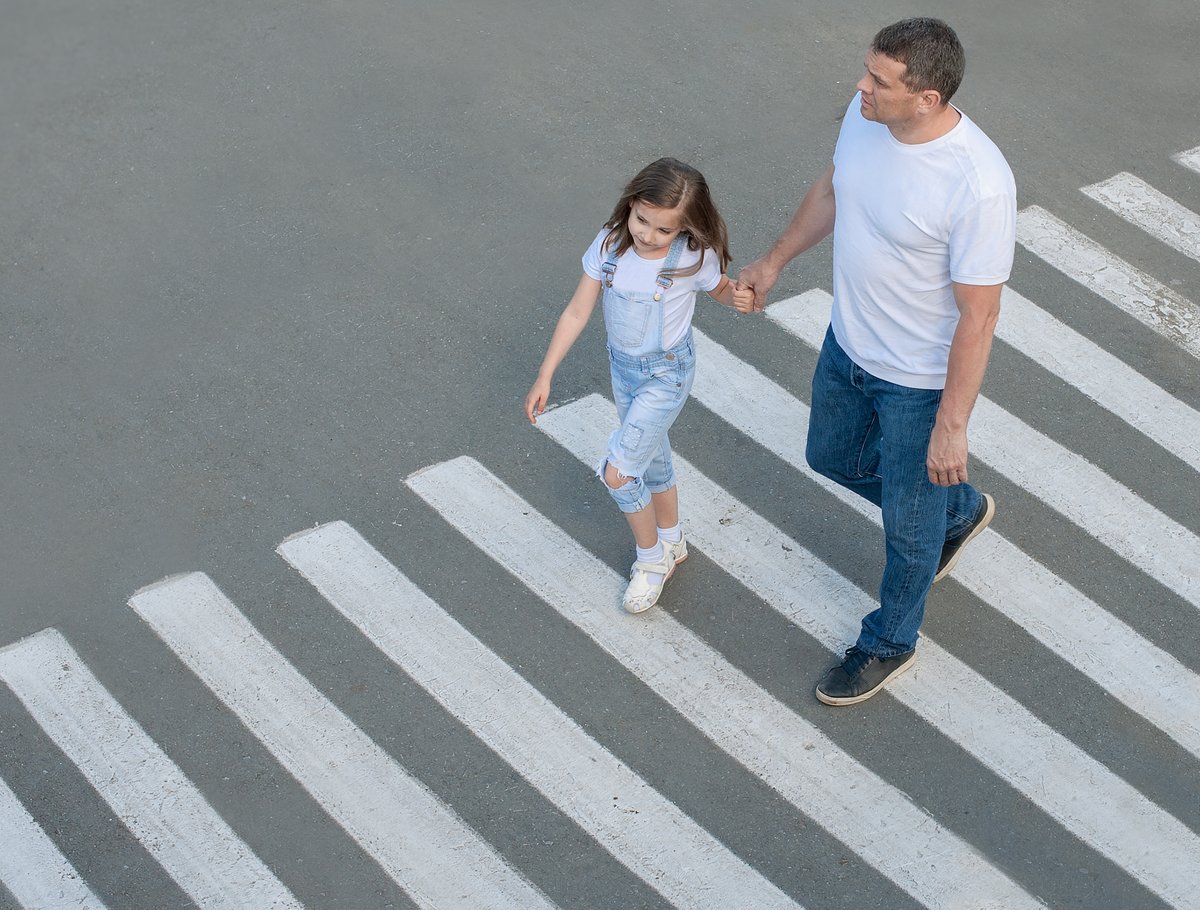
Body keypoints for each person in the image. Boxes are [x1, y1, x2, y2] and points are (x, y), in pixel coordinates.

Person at [738, 18, 1016, 706]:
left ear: (926, 97)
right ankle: (956, 511)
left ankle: (890, 641)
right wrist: (774, 261)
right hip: (849, 343)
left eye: (879, 81)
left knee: (906, 530)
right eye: (867, 70)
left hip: (917, 386)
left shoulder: (977, 184)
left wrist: (952, 425)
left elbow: (979, 316)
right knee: (829, 456)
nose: (861, 87)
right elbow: (834, 189)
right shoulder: (867, 122)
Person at [526, 158, 754, 613]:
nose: (647, 234)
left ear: (686, 228)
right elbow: (577, 310)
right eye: (641, 219)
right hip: (624, 371)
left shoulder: (692, 256)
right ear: (630, 204)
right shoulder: (610, 244)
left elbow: (721, 289)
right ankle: (672, 538)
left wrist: (743, 298)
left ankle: (651, 560)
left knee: (620, 472)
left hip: (667, 374)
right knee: (650, 456)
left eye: (662, 230)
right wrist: (545, 374)